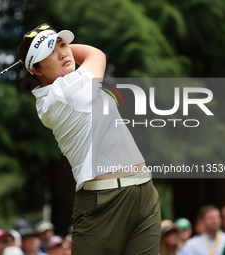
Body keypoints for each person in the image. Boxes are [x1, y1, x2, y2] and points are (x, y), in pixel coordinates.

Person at [19, 23, 161, 255]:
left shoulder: (65, 87)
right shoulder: (64, 92)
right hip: (104, 200)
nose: (63, 53)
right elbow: (96, 54)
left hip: (143, 190)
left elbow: (83, 57)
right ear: (36, 70)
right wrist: (53, 47)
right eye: (50, 52)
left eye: (63, 45)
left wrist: (47, 48)